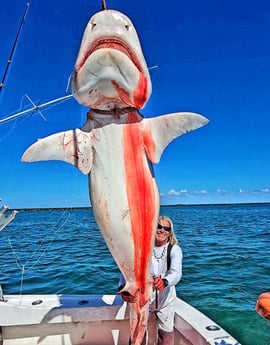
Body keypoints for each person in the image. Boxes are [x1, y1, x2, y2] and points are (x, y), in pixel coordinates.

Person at [120, 216, 183, 345]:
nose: (162, 230)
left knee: (166, 338)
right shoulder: (140, 248)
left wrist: (165, 281)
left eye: (166, 228)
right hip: (142, 300)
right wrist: (123, 289)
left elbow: (176, 273)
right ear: (152, 228)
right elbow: (126, 270)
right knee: (137, 334)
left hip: (166, 300)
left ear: (170, 232)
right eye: (158, 226)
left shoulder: (174, 249)